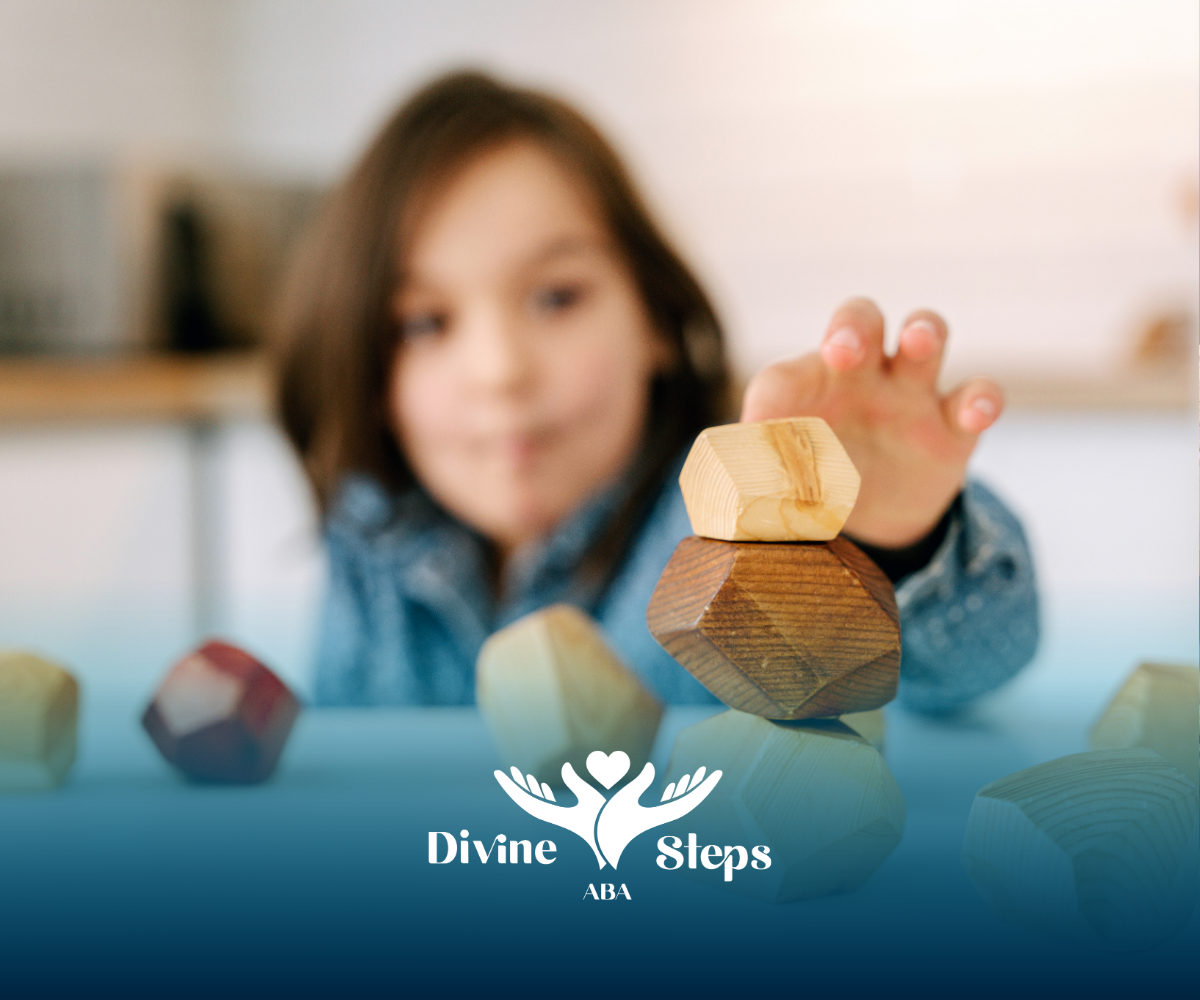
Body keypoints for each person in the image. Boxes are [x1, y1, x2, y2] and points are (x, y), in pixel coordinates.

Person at [274, 71, 1038, 714]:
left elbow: (966, 667)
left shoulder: (721, 529)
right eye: (425, 324)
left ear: (656, 323)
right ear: (371, 377)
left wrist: (896, 544)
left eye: (556, 298)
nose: (500, 370)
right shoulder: (367, 542)